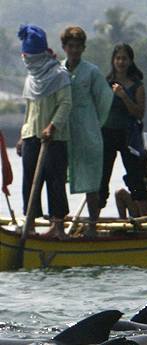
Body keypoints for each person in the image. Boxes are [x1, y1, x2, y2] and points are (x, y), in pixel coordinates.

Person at [16, 24, 72, 239]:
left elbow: (66, 104)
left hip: (54, 138)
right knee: (30, 181)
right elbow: (29, 109)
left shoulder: (59, 74)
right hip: (32, 136)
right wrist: (22, 136)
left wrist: (52, 126)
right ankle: (29, 223)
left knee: (55, 181)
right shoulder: (31, 78)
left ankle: (58, 226)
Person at [60, 26, 113, 236]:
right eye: (70, 46)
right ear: (64, 47)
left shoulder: (92, 71)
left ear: (83, 48)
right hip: (63, 131)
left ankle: (93, 224)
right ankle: (58, 223)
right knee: (57, 177)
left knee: (92, 181)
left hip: (88, 129)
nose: (74, 50)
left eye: (78, 46)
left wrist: (93, 122)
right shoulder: (58, 70)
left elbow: (105, 98)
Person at [99, 43, 147, 216]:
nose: (121, 62)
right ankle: (94, 220)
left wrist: (123, 96)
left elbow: (139, 114)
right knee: (102, 177)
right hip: (107, 134)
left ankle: (146, 219)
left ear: (130, 61)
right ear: (113, 60)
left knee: (135, 177)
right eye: (118, 58)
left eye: (124, 58)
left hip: (129, 135)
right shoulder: (105, 83)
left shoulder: (137, 85)